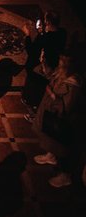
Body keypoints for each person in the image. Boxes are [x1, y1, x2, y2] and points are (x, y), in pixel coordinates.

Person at [31, 53, 83, 188]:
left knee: (63, 147)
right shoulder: (62, 74)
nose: (59, 65)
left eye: (62, 64)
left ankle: (66, 175)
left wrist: (53, 95)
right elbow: (52, 76)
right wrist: (44, 65)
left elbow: (68, 107)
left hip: (62, 121)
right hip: (50, 113)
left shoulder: (74, 85)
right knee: (50, 139)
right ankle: (51, 155)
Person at [21, 10, 67, 113]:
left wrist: (27, 35)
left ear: (47, 22)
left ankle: (31, 104)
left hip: (42, 67)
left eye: (45, 20)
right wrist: (42, 32)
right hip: (54, 64)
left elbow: (31, 51)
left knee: (32, 75)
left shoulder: (44, 37)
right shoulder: (63, 33)